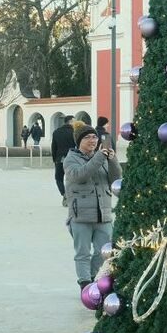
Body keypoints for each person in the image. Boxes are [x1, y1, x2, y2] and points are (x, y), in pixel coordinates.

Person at [64, 123, 122, 289]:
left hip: (103, 214)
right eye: (87, 137)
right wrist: (99, 157)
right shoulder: (71, 159)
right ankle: (85, 283)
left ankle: (94, 279)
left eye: (95, 137)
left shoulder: (101, 158)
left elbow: (115, 179)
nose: (92, 140)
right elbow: (81, 175)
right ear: (79, 141)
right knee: (83, 253)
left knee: (102, 252)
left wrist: (112, 160)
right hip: (80, 215)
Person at [51, 116, 76, 203]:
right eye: (74, 121)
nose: (75, 123)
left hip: (60, 159)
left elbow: (54, 147)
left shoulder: (56, 132)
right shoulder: (74, 132)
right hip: (72, 158)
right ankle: (70, 195)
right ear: (70, 122)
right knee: (71, 178)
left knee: (58, 178)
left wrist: (55, 159)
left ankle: (64, 193)